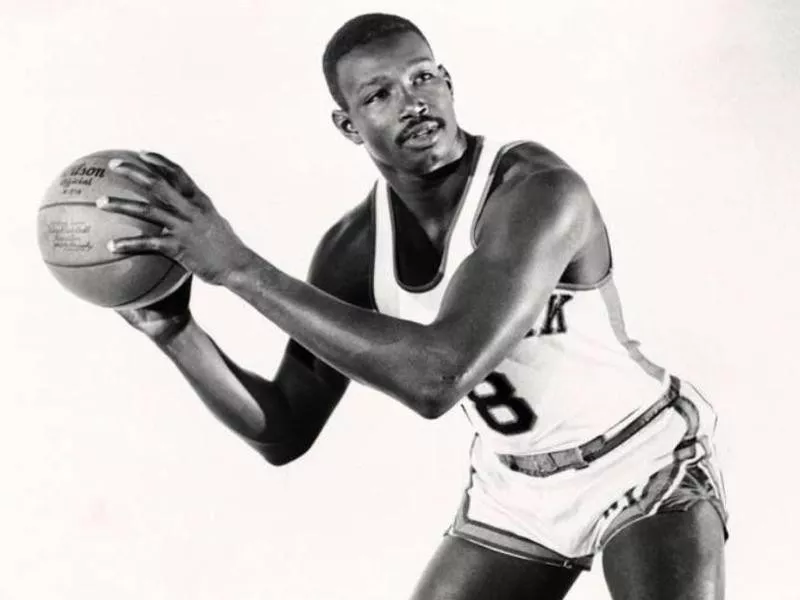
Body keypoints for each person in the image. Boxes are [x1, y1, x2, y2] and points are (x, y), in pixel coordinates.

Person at [97, 13, 728, 599]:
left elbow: (439, 376)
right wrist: (174, 328)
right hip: (516, 487)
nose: (414, 100)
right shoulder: (354, 250)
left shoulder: (537, 191)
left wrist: (238, 268)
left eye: (423, 77)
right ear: (349, 125)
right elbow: (285, 429)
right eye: (379, 94)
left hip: (639, 459)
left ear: (448, 82)